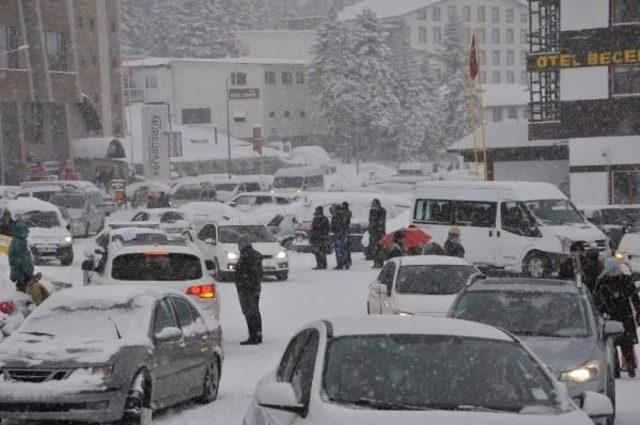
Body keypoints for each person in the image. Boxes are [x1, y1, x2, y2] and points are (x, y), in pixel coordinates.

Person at [594, 258, 640, 378]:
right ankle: (629, 362)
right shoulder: (625, 279)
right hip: (625, 314)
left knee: (612, 342)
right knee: (627, 342)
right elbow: (634, 297)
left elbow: (596, 300)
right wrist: (638, 310)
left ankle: (615, 368)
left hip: (609, 315)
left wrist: (599, 312)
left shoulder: (602, 281)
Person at [235, 234, 263, 345]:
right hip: (254, 288)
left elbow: (252, 273)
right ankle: (258, 335)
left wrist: (245, 284)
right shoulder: (255, 255)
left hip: (247, 290)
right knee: (255, 311)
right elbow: (259, 273)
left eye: (239, 244)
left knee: (250, 312)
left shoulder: (246, 256)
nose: (238, 246)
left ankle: (253, 336)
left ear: (243, 244)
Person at [9, 220, 34, 293]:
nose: (28, 234)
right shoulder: (19, 244)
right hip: (22, 275)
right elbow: (23, 261)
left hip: (20, 273)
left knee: (21, 291)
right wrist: (29, 274)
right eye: (26, 232)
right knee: (24, 292)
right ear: (21, 232)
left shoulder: (17, 241)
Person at [368, 199, 386, 268]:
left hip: (380, 232)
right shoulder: (371, 211)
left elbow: (382, 221)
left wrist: (375, 221)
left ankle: (380, 263)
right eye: (373, 204)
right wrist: (370, 228)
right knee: (373, 248)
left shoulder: (382, 210)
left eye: (375, 204)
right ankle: (375, 262)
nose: (373, 206)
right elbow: (370, 221)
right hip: (373, 232)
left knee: (380, 248)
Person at [330, 204, 347, 270]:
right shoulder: (342, 216)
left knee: (339, 250)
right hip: (341, 234)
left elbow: (334, 225)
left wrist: (335, 229)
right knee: (342, 249)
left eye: (335, 209)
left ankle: (340, 264)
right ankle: (345, 263)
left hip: (338, 234)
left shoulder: (337, 216)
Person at [341, 202, 353, 269]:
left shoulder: (346, 213)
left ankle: (347, 261)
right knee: (346, 248)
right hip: (345, 231)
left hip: (345, 231)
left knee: (345, 247)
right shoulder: (347, 212)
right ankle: (347, 261)